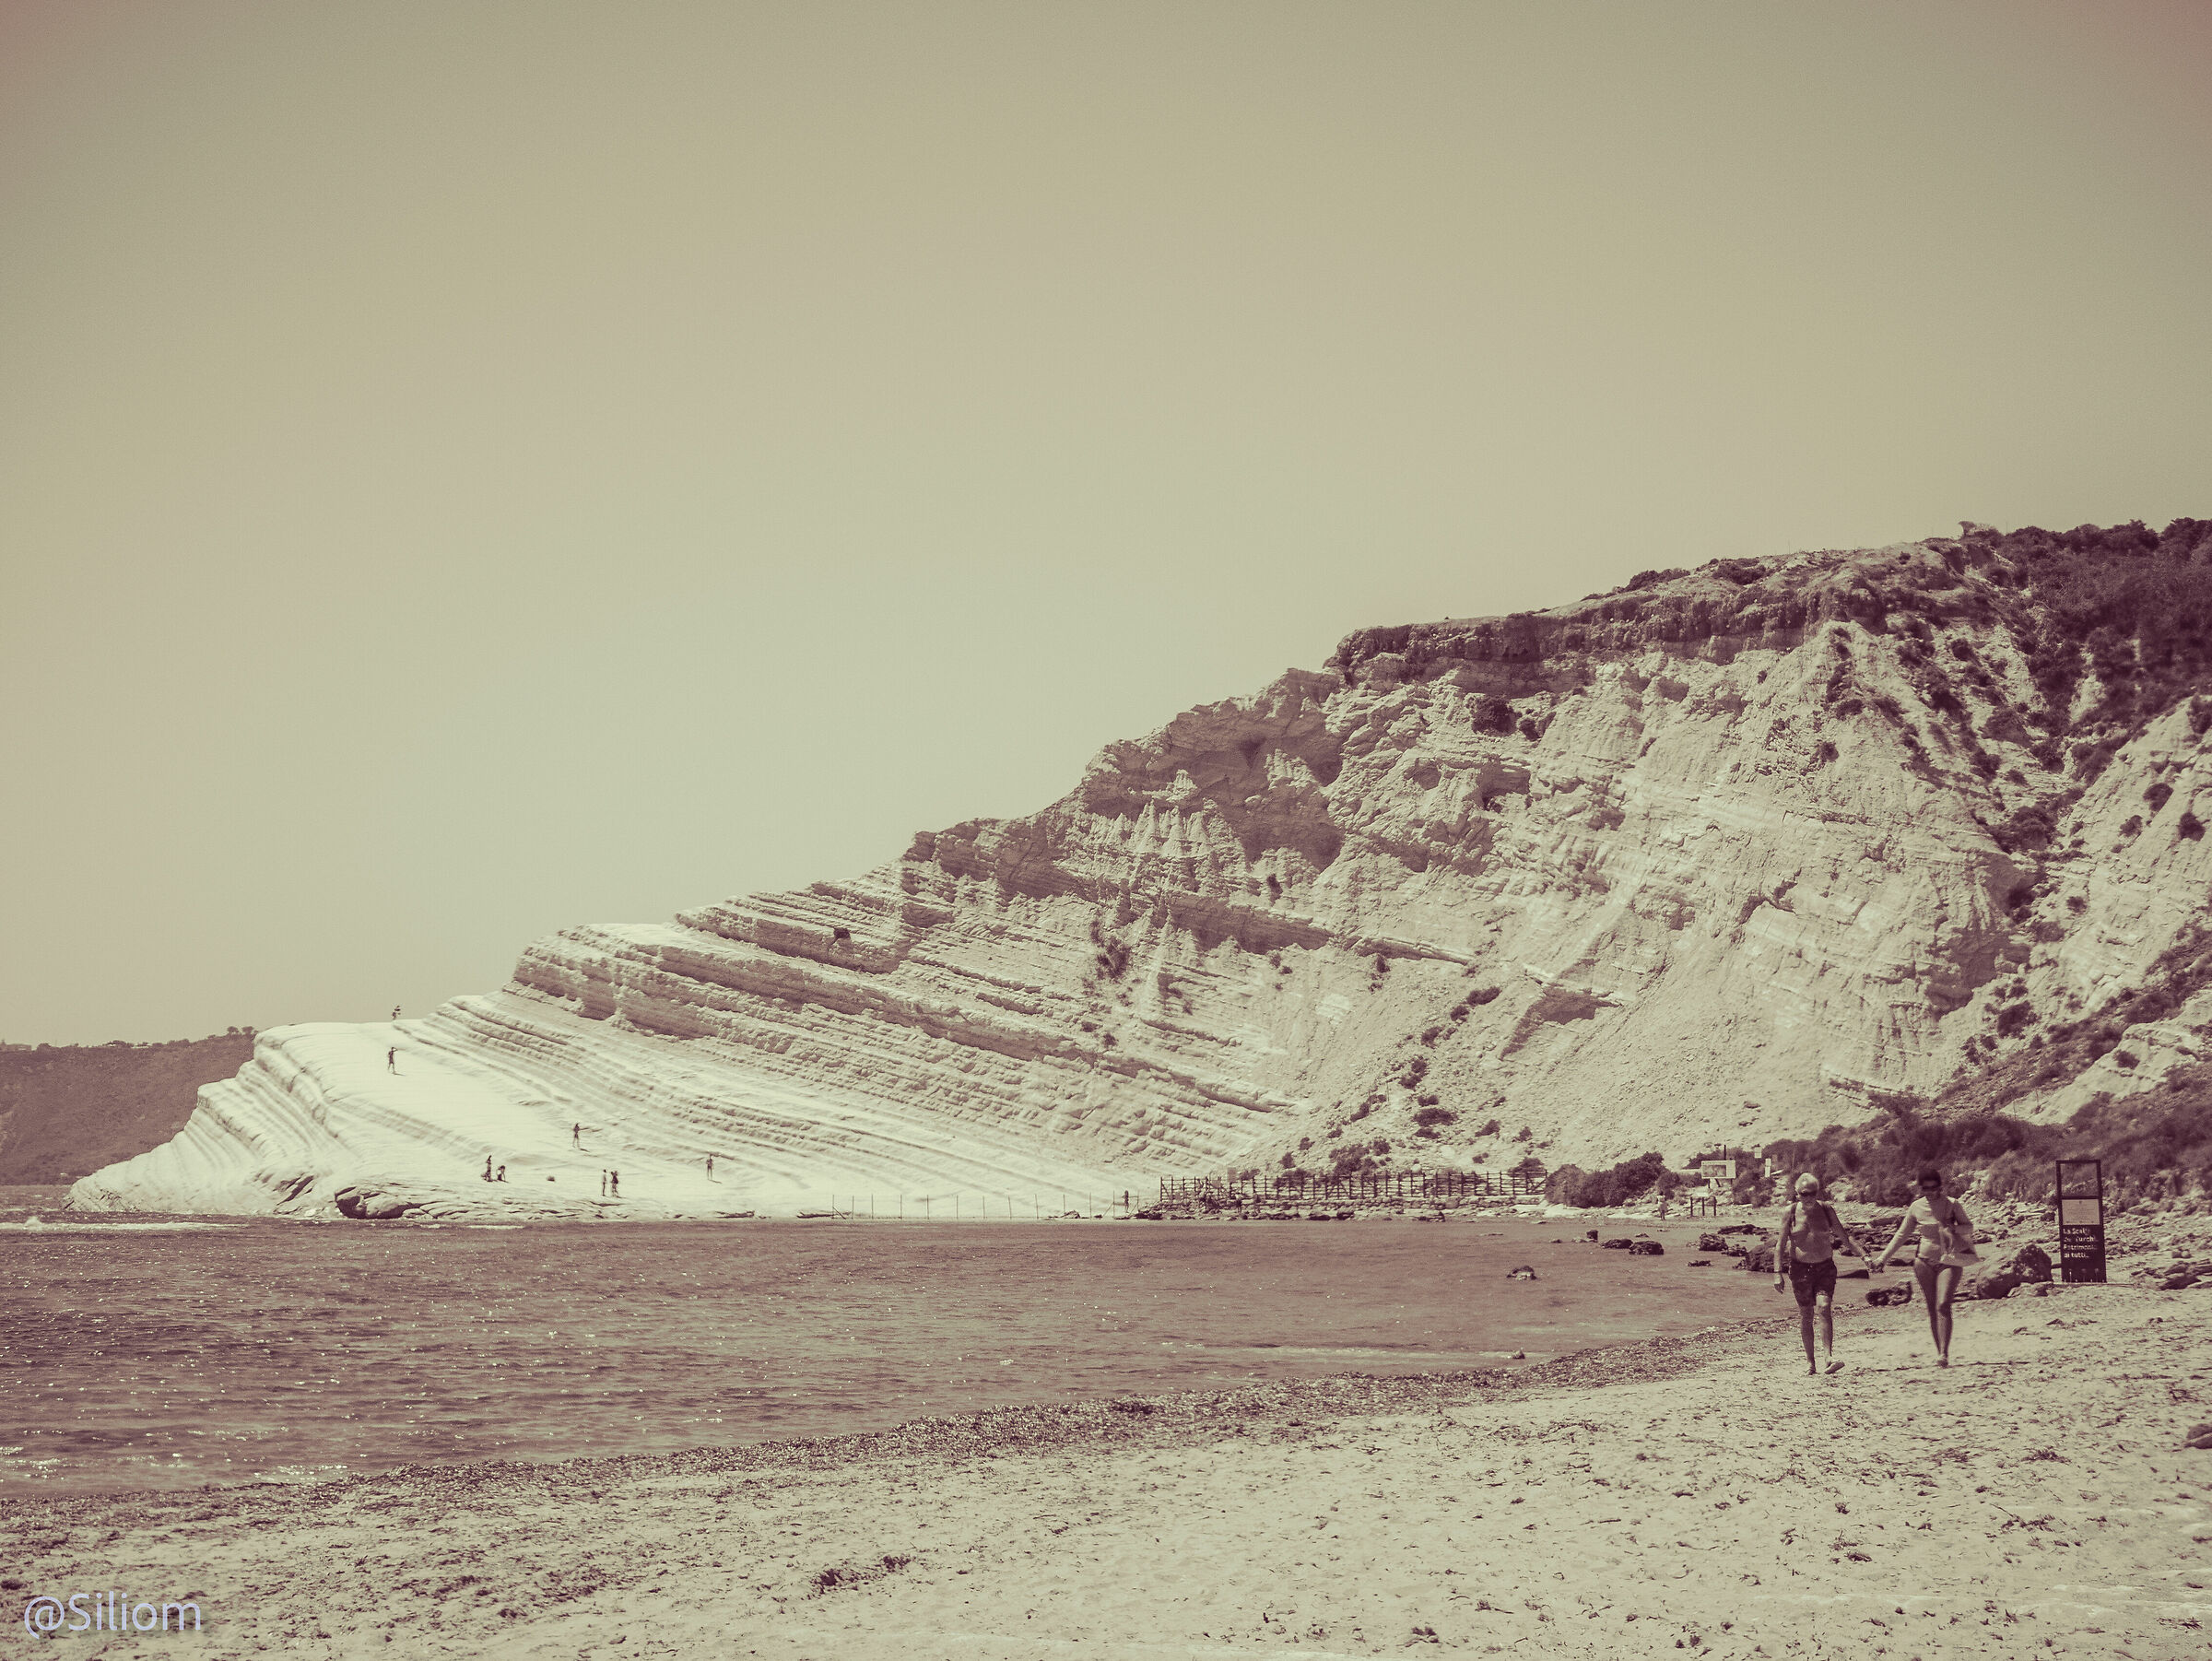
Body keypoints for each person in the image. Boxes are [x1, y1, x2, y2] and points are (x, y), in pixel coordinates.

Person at [1874, 1168, 1975, 1367]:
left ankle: (1944, 1353)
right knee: (1931, 1307)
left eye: (1933, 1188)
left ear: (1940, 1186)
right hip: (1923, 1261)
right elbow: (1901, 1235)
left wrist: (1953, 1227)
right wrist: (1882, 1259)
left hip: (1950, 1260)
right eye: (1925, 1188)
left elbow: (1969, 1227)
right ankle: (1940, 1353)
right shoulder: (1916, 1207)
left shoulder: (1952, 1204)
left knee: (1943, 1304)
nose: (1929, 1192)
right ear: (1920, 1188)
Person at [1774, 1172, 1872, 1374]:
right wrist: (1777, 1273)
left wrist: (1864, 1256)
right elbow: (1781, 1244)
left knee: (1824, 1307)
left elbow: (1845, 1237)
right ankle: (1810, 1363)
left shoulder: (1826, 1210)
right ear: (1797, 1193)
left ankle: (1828, 1358)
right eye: (1805, 1193)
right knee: (1806, 1314)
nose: (1809, 1197)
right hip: (1800, 1269)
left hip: (1825, 1267)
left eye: (1813, 1193)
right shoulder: (1790, 1212)